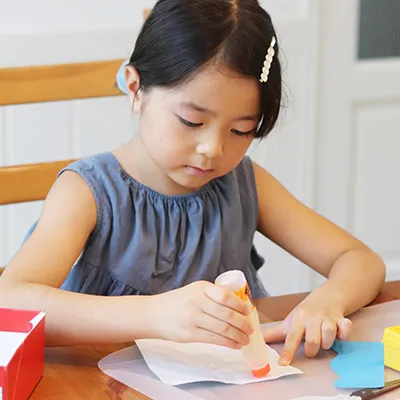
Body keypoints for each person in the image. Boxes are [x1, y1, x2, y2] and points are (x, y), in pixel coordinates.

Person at [0, 0, 385, 367]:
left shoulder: (243, 183)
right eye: (192, 121)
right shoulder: (87, 193)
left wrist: (326, 301)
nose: (213, 149)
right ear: (135, 89)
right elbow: (10, 304)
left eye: (241, 130)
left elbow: (359, 260)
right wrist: (156, 314)